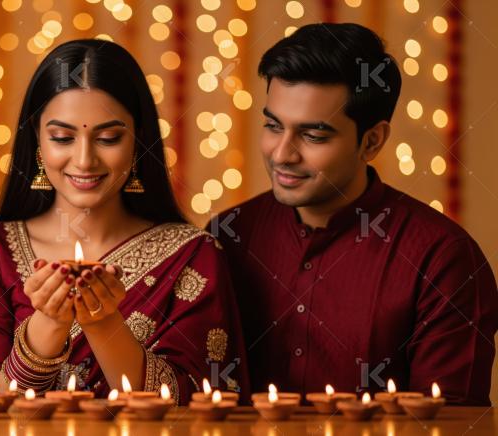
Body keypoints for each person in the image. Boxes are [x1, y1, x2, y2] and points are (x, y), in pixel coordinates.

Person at [208, 23, 497, 405]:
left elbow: (450, 425)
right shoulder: (228, 234)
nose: (281, 154)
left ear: (372, 140)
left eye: (313, 136)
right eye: (273, 126)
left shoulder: (442, 258)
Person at [0, 39, 248, 404]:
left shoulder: (192, 254)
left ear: (139, 141)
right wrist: (49, 324)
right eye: (62, 137)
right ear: (37, 142)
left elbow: (194, 406)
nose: (84, 160)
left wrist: (103, 322)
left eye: (108, 138)